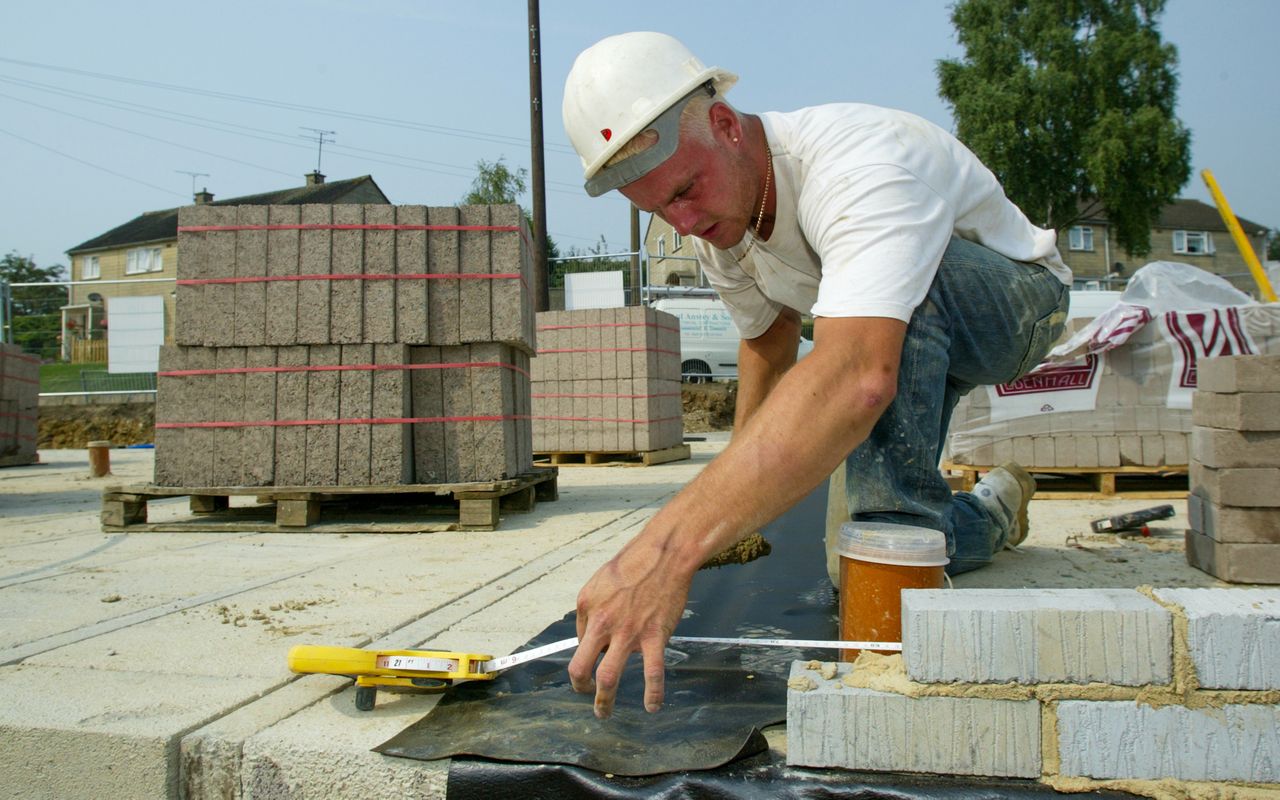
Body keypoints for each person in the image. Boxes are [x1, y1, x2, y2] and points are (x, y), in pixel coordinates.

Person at [560, 32, 1071, 719]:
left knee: (885, 533)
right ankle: (990, 514)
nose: (682, 220)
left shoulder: (860, 163)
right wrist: (729, 515)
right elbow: (767, 344)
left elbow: (859, 374)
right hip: (900, 338)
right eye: (659, 211)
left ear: (724, 124)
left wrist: (666, 550)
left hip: (1015, 308)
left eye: (685, 189)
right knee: (853, 559)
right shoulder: (718, 222)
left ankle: (908, 604)